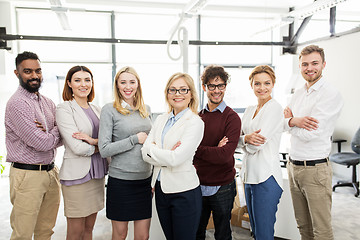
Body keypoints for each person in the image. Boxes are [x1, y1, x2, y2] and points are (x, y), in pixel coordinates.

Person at [284, 45, 343, 240]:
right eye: (305, 64)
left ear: (323, 64)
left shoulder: (330, 93)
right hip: (293, 166)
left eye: (314, 63)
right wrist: (295, 121)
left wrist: (291, 121)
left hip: (315, 170)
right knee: (303, 228)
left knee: (321, 231)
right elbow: (283, 122)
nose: (309, 68)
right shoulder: (299, 92)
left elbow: (311, 134)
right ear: (300, 67)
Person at [5, 51, 62, 239]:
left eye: (38, 71)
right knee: (23, 233)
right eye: (28, 71)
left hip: (51, 172)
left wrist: (49, 132)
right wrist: (53, 131)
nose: (34, 76)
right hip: (27, 175)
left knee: (45, 231)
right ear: (17, 73)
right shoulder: (17, 104)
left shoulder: (48, 102)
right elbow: (41, 142)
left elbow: (62, 136)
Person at [141, 72, 204, 240]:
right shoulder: (161, 119)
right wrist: (166, 152)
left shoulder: (195, 122)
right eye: (173, 90)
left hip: (185, 192)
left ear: (191, 94)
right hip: (161, 190)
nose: (178, 94)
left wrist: (154, 148)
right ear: (167, 93)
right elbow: (144, 152)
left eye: (183, 90)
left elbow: (176, 158)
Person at [98, 66, 152, 240]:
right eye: (123, 82)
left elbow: (151, 141)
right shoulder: (109, 110)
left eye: (132, 82)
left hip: (144, 181)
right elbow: (104, 149)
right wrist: (134, 139)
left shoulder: (146, 109)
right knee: (120, 235)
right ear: (117, 85)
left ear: (138, 84)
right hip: (121, 182)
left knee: (143, 236)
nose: (128, 87)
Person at [56, 66, 108, 240]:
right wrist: (101, 147)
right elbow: (77, 147)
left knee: (89, 229)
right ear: (69, 84)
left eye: (87, 80)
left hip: (97, 175)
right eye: (77, 80)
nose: (83, 84)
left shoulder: (97, 110)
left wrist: (93, 142)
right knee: (75, 231)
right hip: (76, 177)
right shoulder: (64, 109)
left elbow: (110, 140)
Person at [193, 65, 241, 240]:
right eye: (212, 86)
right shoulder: (197, 117)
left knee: (222, 234)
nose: (216, 90)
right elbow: (188, 151)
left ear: (225, 87)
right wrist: (213, 149)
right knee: (196, 232)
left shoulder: (232, 118)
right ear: (204, 87)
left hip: (223, 186)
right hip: (197, 184)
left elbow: (224, 156)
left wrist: (198, 150)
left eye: (220, 85)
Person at [238, 65, 283, 239]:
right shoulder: (249, 110)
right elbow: (237, 141)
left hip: (266, 178)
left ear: (273, 84)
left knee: (264, 234)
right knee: (255, 231)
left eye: (267, 83)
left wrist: (245, 140)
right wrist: (245, 139)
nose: (262, 88)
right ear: (251, 85)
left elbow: (258, 144)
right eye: (257, 83)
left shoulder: (275, 108)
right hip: (249, 177)